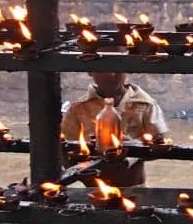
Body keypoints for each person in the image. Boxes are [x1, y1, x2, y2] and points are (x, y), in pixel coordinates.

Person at [61, 39, 169, 186]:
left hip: (135, 188)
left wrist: (134, 148)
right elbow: (64, 153)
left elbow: (159, 147)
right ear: (90, 70)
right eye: (104, 66)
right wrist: (86, 164)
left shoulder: (145, 104)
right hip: (95, 191)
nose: (112, 73)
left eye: (118, 65)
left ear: (128, 67)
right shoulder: (78, 109)